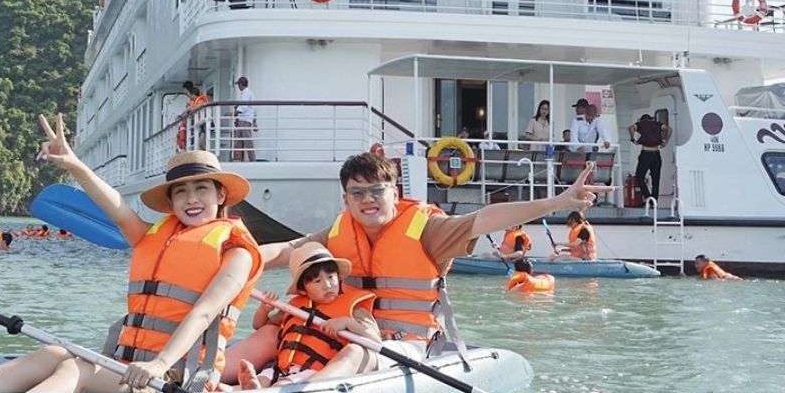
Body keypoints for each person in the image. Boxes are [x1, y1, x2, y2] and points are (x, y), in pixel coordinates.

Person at [0, 113, 263, 393]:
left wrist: (160, 364)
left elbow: (204, 311)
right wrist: (74, 164)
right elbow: (115, 206)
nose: (191, 199)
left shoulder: (236, 251)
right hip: (128, 366)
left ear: (220, 195)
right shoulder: (156, 236)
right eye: (181, 191)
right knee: (53, 354)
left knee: (77, 372)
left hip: (177, 378)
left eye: (202, 189)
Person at [244, 151, 609, 369]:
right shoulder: (339, 231)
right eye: (357, 192)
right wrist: (238, 259)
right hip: (342, 330)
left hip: (404, 343)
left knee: (358, 352)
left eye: (376, 190)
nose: (367, 199)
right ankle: (205, 378)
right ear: (346, 199)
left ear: (394, 192)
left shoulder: (427, 229)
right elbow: (288, 250)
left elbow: (486, 218)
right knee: (270, 332)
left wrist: (556, 203)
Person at [237, 243, 379, 389]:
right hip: (282, 368)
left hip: (312, 371)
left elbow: (375, 340)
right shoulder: (294, 307)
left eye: (331, 277)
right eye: (317, 281)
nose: (327, 285)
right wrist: (264, 310)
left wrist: (348, 323)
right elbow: (259, 326)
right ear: (303, 290)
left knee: (281, 384)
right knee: (264, 377)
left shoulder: (354, 310)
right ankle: (247, 389)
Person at [628, 113, 672, 203]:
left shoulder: (641, 124)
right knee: (656, 179)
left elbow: (631, 128)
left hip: (646, 153)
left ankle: (648, 197)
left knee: (640, 176)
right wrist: (666, 141)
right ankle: (654, 200)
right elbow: (669, 129)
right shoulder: (657, 124)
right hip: (656, 153)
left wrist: (633, 139)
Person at [176, 80, 210, 150]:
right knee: (197, 141)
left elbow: (196, 107)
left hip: (203, 122)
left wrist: (188, 110)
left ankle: (204, 154)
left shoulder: (200, 100)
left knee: (201, 142)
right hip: (197, 123)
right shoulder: (195, 100)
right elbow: (190, 108)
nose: (189, 97)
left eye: (190, 95)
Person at [232, 75, 257, 162]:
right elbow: (254, 108)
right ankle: (236, 158)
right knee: (238, 140)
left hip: (245, 120)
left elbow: (244, 107)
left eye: (238, 84)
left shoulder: (246, 93)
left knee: (247, 141)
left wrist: (233, 113)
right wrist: (254, 121)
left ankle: (252, 159)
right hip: (246, 119)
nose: (238, 87)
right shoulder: (250, 93)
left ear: (241, 84)